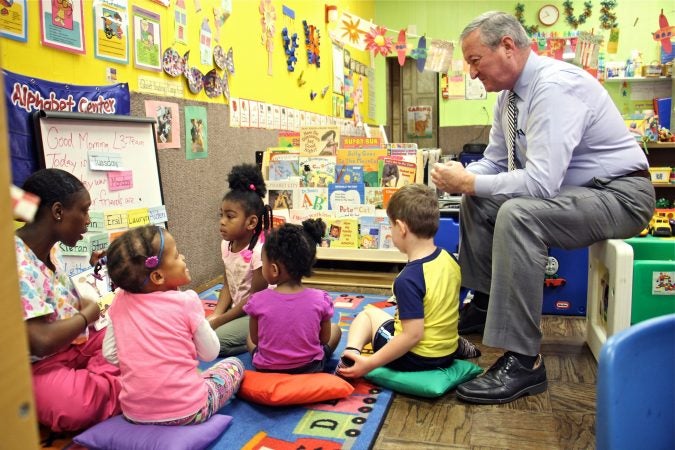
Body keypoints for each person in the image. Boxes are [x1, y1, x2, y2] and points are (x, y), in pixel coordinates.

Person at [431, 11, 655, 404]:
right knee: (477, 202)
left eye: (474, 61)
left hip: (621, 195)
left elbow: (539, 184)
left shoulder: (554, 88)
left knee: (518, 215)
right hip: (578, 193)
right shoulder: (508, 98)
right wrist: (463, 176)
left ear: (507, 47)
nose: (470, 73)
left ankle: (524, 362)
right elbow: (496, 162)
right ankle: (484, 305)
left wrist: (472, 180)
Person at [103, 225, 244, 425]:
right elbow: (210, 353)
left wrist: (142, 362)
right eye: (177, 255)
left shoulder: (119, 301)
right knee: (233, 365)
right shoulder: (187, 301)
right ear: (158, 276)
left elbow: (109, 353)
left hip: (135, 414)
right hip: (189, 411)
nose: (183, 258)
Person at [14, 168, 121, 432]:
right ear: (58, 211)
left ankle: (104, 382)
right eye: (83, 211)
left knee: (135, 336)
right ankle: (122, 385)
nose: (87, 221)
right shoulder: (15, 263)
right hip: (38, 365)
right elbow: (41, 341)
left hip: (75, 344)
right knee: (72, 407)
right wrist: (87, 314)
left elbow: (63, 304)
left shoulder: (49, 252)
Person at [336, 184, 480, 379]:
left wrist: (371, 363)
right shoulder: (449, 259)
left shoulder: (408, 279)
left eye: (390, 226)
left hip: (415, 357)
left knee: (367, 316)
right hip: (446, 350)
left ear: (401, 228)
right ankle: (457, 345)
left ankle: (351, 357)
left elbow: (412, 336)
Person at [244, 219, 342, 373]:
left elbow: (256, 340)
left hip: (267, 369)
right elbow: (324, 339)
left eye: (263, 263)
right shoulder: (321, 299)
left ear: (274, 269)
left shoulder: (257, 300)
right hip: (311, 367)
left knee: (249, 337)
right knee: (336, 330)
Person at [209, 164, 272, 356]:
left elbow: (255, 298)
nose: (222, 221)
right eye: (221, 215)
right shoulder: (226, 245)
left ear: (251, 222)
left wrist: (220, 321)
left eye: (230, 217)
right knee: (197, 328)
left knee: (216, 342)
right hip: (239, 309)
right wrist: (217, 314)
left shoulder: (259, 251)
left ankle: (270, 336)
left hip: (259, 313)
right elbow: (227, 284)